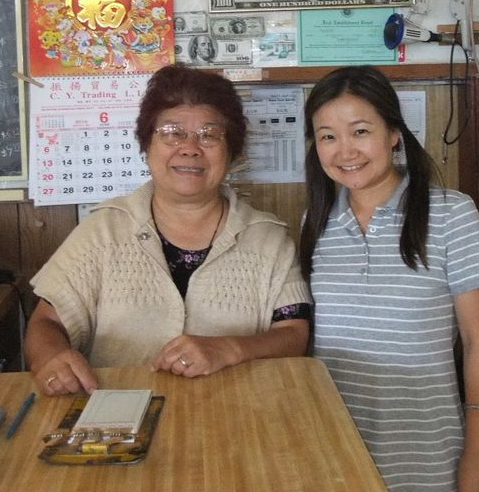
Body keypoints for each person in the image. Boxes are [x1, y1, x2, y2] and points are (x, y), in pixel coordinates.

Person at [299, 66, 479, 492]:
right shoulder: (316, 220)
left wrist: (477, 453)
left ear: (393, 133)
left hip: (421, 448)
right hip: (333, 445)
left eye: (360, 130)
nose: (345, 151)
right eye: (327, 135)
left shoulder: (451, 213)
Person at [25, 64, 311, 395]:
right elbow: (47, 322)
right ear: (146, 145)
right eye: (172, 132)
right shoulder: (103, 231)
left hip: (239, 418)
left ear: (231, 152)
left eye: (209, 134)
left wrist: (230, 349)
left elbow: (293, 333)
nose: (190, 147)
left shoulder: (268, 239)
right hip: (117, 420)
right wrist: (53, 357)